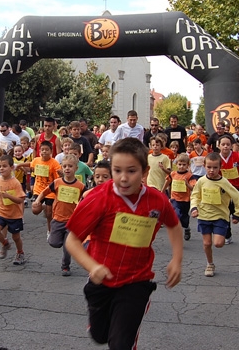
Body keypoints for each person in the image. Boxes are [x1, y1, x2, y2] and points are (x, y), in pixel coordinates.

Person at [64, 138, 183, 350]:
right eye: (117, 171)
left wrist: (177, 259)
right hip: (102, 281)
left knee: (120, 343)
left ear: (145, 172)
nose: (123, 178)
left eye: (131, 171)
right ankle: (98, 321)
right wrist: (93, 267)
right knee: (100, 336)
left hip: (137, 280)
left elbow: (174, 226)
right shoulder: (99, 198)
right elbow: (72, 240)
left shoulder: (157, 200)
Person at [190, 152, 239, 277]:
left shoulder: (224, 182)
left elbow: (237, 197)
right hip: (204, 215)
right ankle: (210, 264)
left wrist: (237, 214)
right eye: (209, 167)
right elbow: (195, 195)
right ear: (204, 166)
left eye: (215, 167)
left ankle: (220, 240)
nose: (212, 170)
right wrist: (194, 208)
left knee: (218, 243)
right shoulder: (201, 181)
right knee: (207, 243)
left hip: (220, 216)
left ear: (220, 168)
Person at [32, 154, 85, 276]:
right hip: (57, 219)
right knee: (54, 243)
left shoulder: (80, 186)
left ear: (76, 168)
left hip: (72, 222)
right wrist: (37, 201)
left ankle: (65, 266)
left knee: (68, 247)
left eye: (70, 166)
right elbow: (44, 192)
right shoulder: (57, 182)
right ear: (61, 167)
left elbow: (85, 198)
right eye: (65, 166)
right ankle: (59, 238)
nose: (67, 169)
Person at [0, 155, 27, 264]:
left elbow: (21, 200)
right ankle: (5, 243)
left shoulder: (15, 183)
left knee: (16, 237)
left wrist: (8, 196)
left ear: (11, 167)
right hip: (1, 212)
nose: (1, 168)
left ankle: (20, 252)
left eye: (4, 166)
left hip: (15, 215)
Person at [18, 141, 61, 238]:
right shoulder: (36, 160)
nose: (44, 152)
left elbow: (58, 178)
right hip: (38, 189)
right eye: (42, 150)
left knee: (49, 214)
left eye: (47, 150)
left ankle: (49, 231)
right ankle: (43, 206)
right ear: (39, 151)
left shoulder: (54, 163)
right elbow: (30, 165)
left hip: (50, 190)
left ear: (51, 151)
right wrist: (20, 165)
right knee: (35, 210)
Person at [162, 154, 195, 241]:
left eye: (184, 165)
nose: (181, 167)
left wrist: (187, 185)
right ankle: (177, 234)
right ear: (176, 164)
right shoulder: (173, 174)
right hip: (174, 199)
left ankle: (186, 228)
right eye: (180, 164)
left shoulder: (189, 175)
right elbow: (167, 181)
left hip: (185, 200)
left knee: (184, 217)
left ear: (188, 165)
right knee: (176, 214)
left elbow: (193, 188)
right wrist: (162, 191)